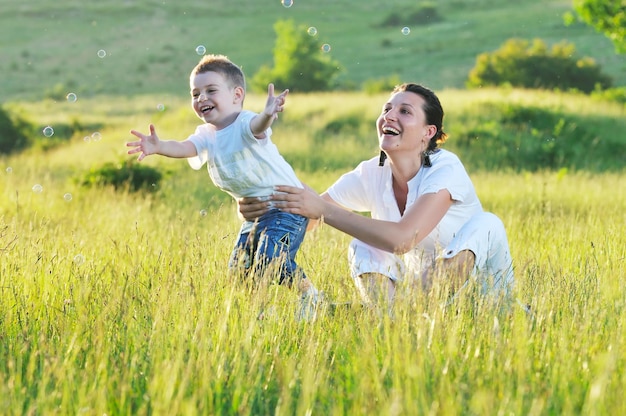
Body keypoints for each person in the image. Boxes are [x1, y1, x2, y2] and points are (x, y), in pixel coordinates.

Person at [239, 83, 514, 310]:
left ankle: (399, 310)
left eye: (405, 111)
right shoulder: (372, 172)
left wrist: (323, 210)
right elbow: (308, 215)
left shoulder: (446, 167)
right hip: (425, 304)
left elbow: (403, 239)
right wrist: (261, 199)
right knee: (364, 244)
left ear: (428, 133)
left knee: (487, 224)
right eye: (387, 109)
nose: (390, 116)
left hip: (483, 299)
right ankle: (390, 319)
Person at [126, 54, 320, 319]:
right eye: (195, 93)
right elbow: (185, 147)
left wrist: (267, 114)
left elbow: (257, 127)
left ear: (236, 95)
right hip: (257, 215)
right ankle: (261, 313)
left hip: (286, 209)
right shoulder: (206, 134)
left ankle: (309, 294)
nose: (201, 98)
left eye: (210, 91)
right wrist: (159, 147)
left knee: (270, 257)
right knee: (239, 270)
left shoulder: (244, 123)